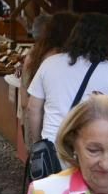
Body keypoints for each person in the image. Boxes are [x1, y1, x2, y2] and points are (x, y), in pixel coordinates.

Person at [27, 12, 108, 150]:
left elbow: (33, 108)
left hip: (52, 144)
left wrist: (37, 141)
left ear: (75, 34)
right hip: (91, 148)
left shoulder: (50, 63)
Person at [20, 12, 78, 143]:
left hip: (36, 120)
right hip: (57, 123)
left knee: (40, 161)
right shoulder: (68, 59)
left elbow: (25, 101)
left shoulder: (34, 55)